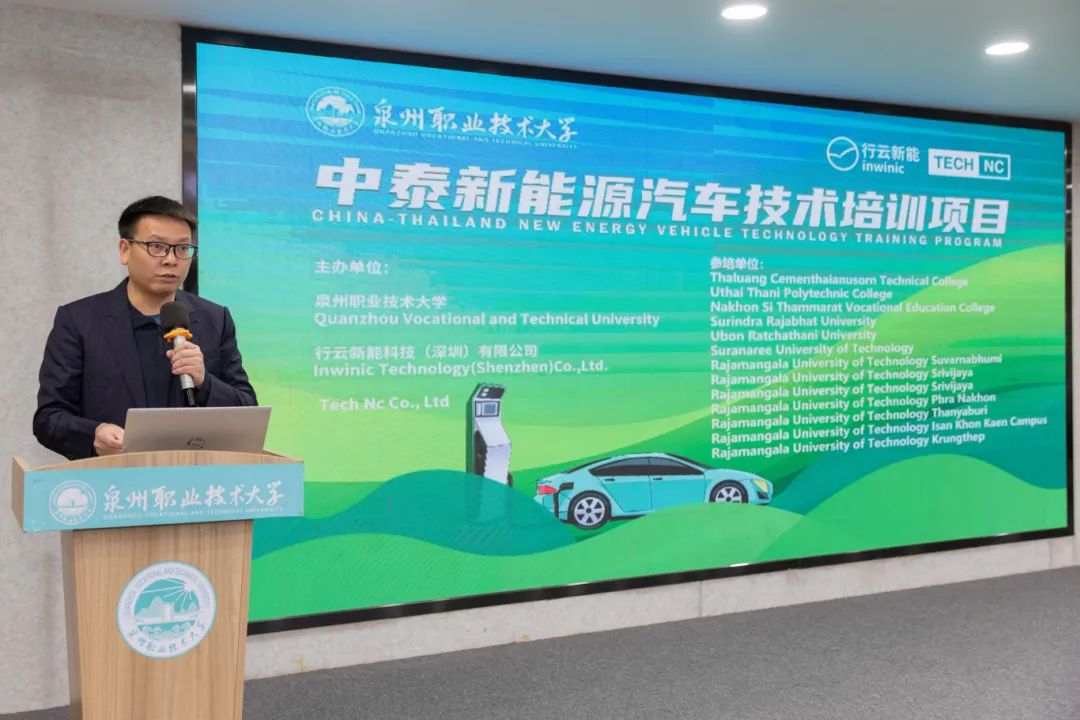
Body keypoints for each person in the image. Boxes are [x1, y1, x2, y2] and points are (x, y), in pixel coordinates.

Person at [33, 196, 257, 460]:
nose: (171, 260)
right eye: (156, 246)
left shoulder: (215, 319)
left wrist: (204, 382)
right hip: (114, 476)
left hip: (195, 476)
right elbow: (49, 417)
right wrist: (94, 434)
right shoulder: (79, 320)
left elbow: (248, 411)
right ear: (125, 250)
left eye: (182, 248)